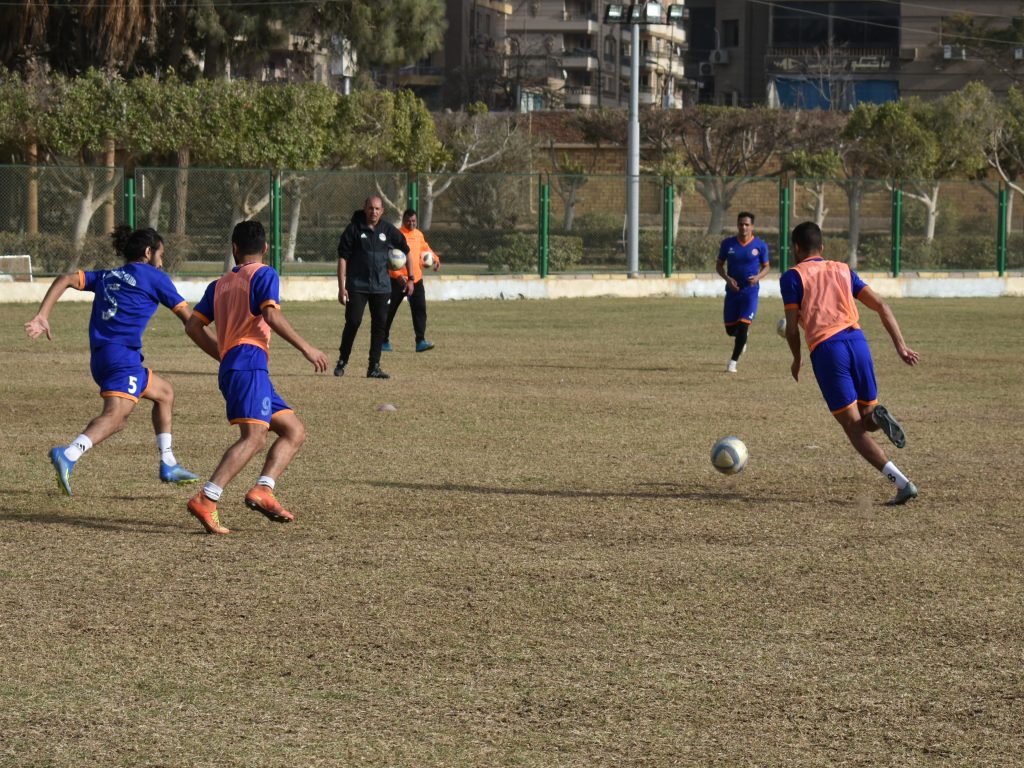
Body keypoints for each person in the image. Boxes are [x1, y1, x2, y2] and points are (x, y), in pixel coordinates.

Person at [24, 225, 200, 496]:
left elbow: (65, 278)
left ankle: (168, 462)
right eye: (161, 255)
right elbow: (190, 321)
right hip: (121, 359)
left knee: (164, 392)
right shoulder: (155, 278)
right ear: (148, 252)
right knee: (116, 417)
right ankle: (68, 454)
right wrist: (222, 351)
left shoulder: (108, 275)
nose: (162, 262)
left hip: (103, 358)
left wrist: (43, 315)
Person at [184, 220, 328, 535]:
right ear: (265, 248)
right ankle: (207, 498)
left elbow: (193, 326)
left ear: (234, 248)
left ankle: (263, 489)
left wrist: (223, 353)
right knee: (254, 437)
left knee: (293, 430)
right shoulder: (264, 273)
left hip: (241, 365)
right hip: (249, 363)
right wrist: (307, 348)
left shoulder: (218, 284)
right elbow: (271, 314)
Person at [781, 221, 920, 506]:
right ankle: (878, 417)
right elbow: (882, 305)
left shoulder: (792, 277)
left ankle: (902, 483)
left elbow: (792, 329)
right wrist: (901, 346)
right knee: (867, 420)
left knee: (854, 429)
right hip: (858, 343)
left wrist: (796, 358)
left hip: (828, 350)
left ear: (795, 248)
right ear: (822, 247)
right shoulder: (843, 269)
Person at [334, 196, 408, 379]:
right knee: (353, 322)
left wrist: (411, 277)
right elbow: (343, 257)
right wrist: (341, 286)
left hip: (382, 287)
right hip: (357, 286)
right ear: (365, 209)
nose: (373, 212)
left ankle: (374, 366)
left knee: (379, 325)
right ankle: (342, 361)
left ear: (382, 211)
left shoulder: (388, 230)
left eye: (377, 209)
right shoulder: (353, 229)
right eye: (370, 208)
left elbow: (406, 250)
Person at [716, 211, 771, 373]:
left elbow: (766, 267)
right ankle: (742, 339)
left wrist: (758, 277)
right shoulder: (728, 244)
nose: (743, 227)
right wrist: (727, 279)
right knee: (730, 330)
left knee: (744, 325)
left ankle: (733, 362)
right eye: (741, 224)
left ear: (752, 226)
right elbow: (719, 266)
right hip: (733, 292)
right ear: (737, 225)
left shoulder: (760, 245)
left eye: (747, 224)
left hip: (750, 292)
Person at [382, 208, 441, 353]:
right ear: (404, 220)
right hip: (398, 280)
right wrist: (396, 275)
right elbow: (388, 257)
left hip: (416, 280)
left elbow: (425, 249)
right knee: (389, 311)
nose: (412, 223)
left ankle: (420, 341)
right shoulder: (397, 234)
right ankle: (383, 341)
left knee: (420, 310)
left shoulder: (419, 235)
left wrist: (435, 258)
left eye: (414, 221)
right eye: (409, 221)